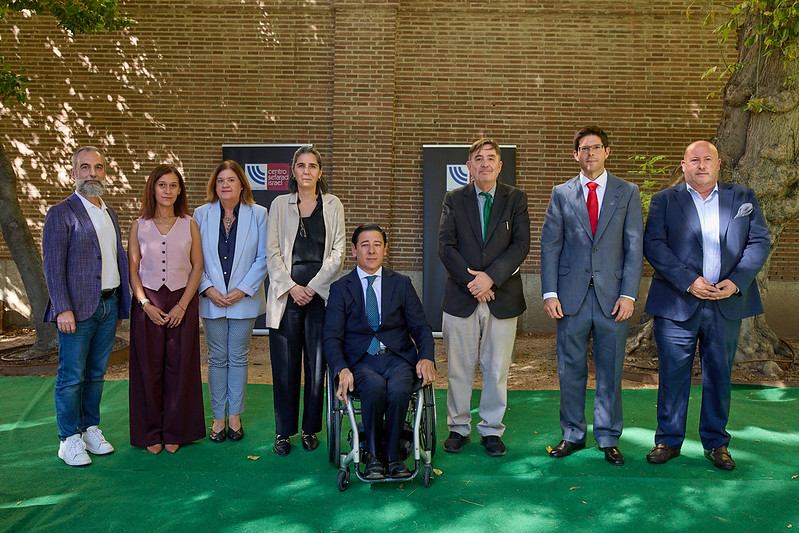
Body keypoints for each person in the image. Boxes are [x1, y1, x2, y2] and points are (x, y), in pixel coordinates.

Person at [643, 140, 769, 470]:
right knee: (672, 375)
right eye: (694, 160)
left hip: (725, 303)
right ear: (683, 165)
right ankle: (667, 441)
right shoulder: (664, 201)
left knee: (719, 375)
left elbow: (758, 242)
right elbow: (653, 245)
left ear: (718, 164)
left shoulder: (743, 198)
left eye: (707, 159)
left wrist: (737, 281)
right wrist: (688, 280)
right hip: (676, 302)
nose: (701, 165)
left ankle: (716, 443)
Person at [540, 126, 643, 465]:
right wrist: (550, 293)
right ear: (576, 155)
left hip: (613, 298)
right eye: (584, 149)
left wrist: (629, 294)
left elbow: (633, 246)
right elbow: (551, 245)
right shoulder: (561, 193)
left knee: (611, 369)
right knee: (570, 370)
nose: (590, 154)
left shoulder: (627, 192)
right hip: (570, 299)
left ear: (607, 152)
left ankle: (608, 437)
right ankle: (572, 434)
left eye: (596, 147)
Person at [438, 138, 530, 457]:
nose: (485, 163)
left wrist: (490, 277)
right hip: (461, 297)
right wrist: (473, 282)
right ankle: (458, 428)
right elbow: (445, 246)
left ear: (499, 165)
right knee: (460, 368)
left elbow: (521, 245)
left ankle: (491, 430)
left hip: (502, 297)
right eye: (479, 158)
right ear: (469, 166)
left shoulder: (515, 198)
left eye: (491, 158)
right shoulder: (453, 199)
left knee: (496, 368)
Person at [323, 224, 435, 479]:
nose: (371, 251)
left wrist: (426, 356)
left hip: (397, 358)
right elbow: (331, 337)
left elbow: (420, 327)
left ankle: (394, 457)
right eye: (365, 245)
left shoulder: (402, 284)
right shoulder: (341, 288)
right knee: (373, 387)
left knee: (398, 389)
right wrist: (341, 368)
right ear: (353, 250)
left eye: (376, 245)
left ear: (385, 249)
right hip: (360, 361)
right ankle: (373, 457)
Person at [42, 146, 131, 466]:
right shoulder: (61, 213)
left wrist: (122, 304)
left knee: (95, 373)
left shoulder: (111, 213)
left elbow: (115, 260)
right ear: (73, 173)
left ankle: (89, 427)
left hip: (107, 306)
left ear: (106, 173)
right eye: (84, 167)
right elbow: (52, 265)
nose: (92, 173)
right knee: (71, 375)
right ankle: (68, 439)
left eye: (98, 167)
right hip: (76, 311)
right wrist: (62, 307)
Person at [266, 146, 346, 456]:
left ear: (320, 172)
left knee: (316, 365)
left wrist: (312, 287)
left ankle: (310, 429)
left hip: (321, 296)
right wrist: (292, 287)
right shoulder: (279, 204)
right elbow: (271, 252)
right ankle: (283, 432)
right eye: (301, 166)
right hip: (287, 297)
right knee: (285, 367)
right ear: (293, 171)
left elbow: (339, 253)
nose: (307, 171)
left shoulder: (333, 205)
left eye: (313, 166)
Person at [127, 164, 205, 454]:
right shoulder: (139, 225)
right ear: (153, 188)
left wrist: (183, 305)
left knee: (180, 367)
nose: (168, 191)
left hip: (181, 301)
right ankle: (150, 433)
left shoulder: (189, 223)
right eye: (162, 185)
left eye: (173, 185)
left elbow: (198, 266)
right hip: (148, 303)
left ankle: (176, 430)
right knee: (148, 369)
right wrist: (144, 304)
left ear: (180, 190)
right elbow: (133, 270)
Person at [194, 161, 268, 443]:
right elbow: (194, 256)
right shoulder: (201, 214)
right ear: (215, 186)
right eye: (220, 181)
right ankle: (218, 418)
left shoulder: (259, 213)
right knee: (216, 359)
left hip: (243, 300)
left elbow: (263, 257)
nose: (225, 185)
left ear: (241, 185)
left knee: (237, 358)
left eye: (231, 180)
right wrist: (208, 288)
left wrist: (242, 289)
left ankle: (235, 416)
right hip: (211, 298)